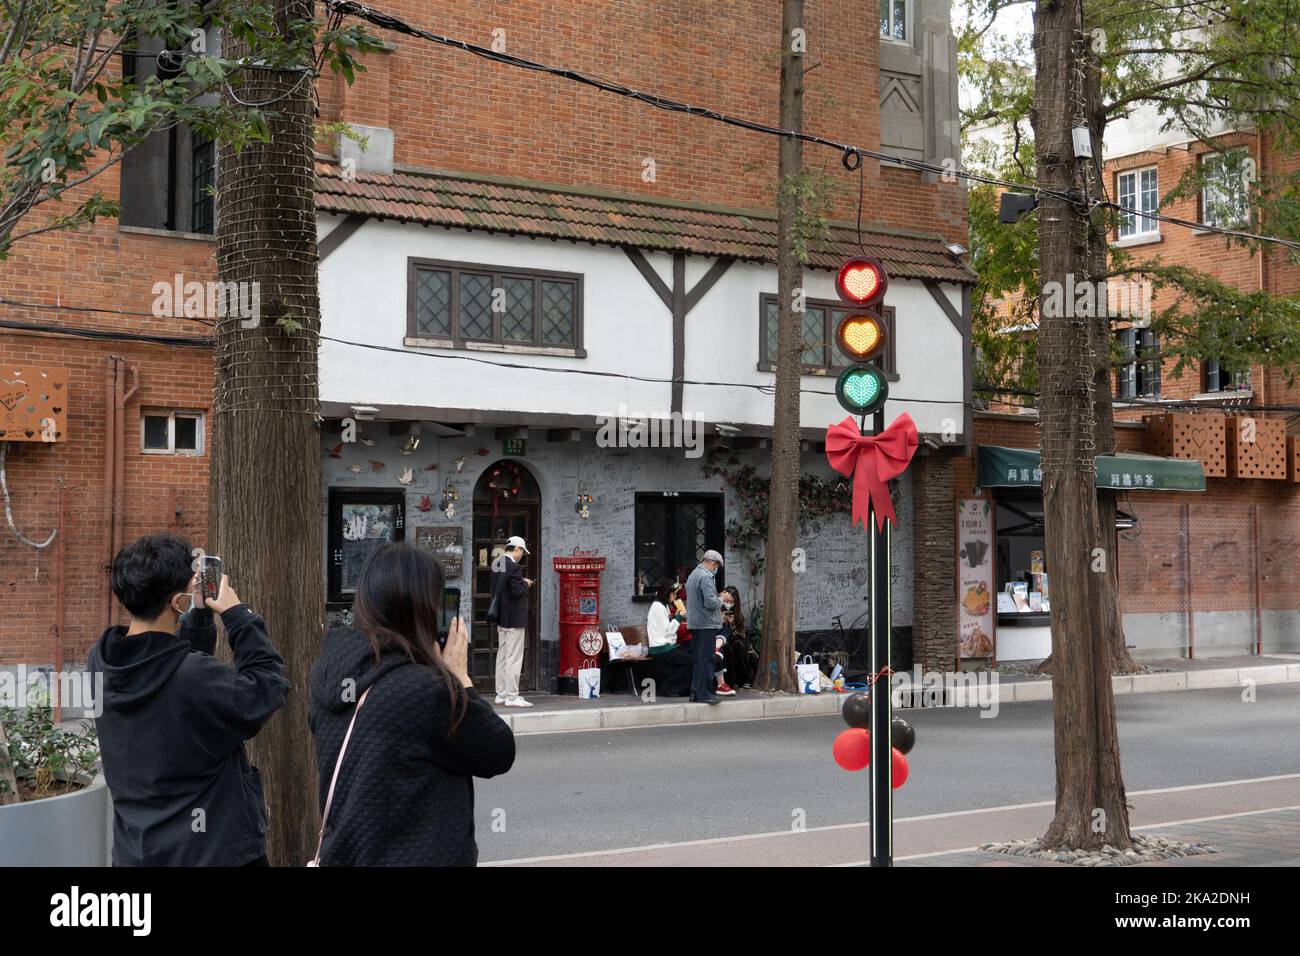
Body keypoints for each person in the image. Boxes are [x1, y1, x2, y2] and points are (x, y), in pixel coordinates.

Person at [308, 543, 515, 866]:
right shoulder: (425, 691)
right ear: (420, 608)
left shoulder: (328, 675)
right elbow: (499, 751)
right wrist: (460, 677)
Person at [87, 532, 287, 867]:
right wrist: (238, 614)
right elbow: (267, 687)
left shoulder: (100, 661)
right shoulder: (192, 677)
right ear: (177, 602)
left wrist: (199, 614)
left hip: (138, 852)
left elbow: (171, 671)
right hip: (213, 853)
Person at [491, 534, 534, 707]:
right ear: (516, 549)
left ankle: (501, 694)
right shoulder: (514, 567)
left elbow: (499, 588)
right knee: (514, 657)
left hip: (501, 617)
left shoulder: (497, 564)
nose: (522, 555)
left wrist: (519, 582)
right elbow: (517, 592)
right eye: (522, 552)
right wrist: (526, 584)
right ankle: (512, 696)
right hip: (515, 619)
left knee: (502, 656)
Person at [685, 549, 726, 704]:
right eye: (716, 566)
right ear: (712, 563)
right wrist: (721, 598)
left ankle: (695, 693)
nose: (716, 569)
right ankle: (706, 694)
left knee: (699, 659)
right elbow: (710, 602)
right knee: (707, 659)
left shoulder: (693, 575)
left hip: (695, 623)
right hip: (706, 624)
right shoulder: (706, 577)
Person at [645, 580, 694, 697]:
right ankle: (671, 687)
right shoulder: (658, 607)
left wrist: (676, 617)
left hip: (666, 646)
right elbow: (667, 632)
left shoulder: (664, 606)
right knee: (691, 660)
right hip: (661, 648)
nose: (675, 597)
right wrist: (678, 618)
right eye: (674, 594)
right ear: (667, 593)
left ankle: (679, 688)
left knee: (691, 655)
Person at [718, 586, 758, 690]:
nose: (729, 603)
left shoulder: (739, 615)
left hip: (736, 639)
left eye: (732, 601)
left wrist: (732, 623)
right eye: (727, 601)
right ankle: (729, 681)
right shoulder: (717, 610)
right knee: (727, 649)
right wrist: (721, 619)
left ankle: (745, 679)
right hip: (721, 640)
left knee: (739, 645)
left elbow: (742, 634)